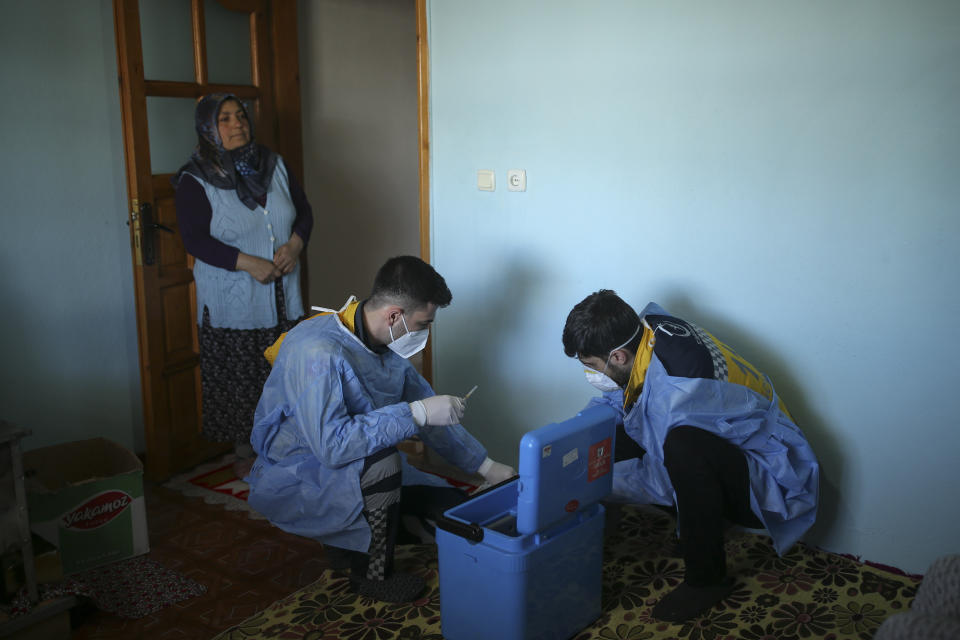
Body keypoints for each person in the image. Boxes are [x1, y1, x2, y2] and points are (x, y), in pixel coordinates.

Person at [247, 256, 515, 603]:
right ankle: (370, 576)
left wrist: (486, 467)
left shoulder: (384, 346)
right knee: (385, 462)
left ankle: (349, 539)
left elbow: (430, 415)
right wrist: (414, 413)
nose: (424, 333)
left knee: (454, 510)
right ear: (394, 316)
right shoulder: (317, 352)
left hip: (358, 462)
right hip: (304, 469)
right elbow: (331, 446)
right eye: (423, 323)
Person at [562, 290, 819, 622]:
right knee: (620, 435)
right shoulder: (648, 328)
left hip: (777, 476)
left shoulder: (672, 395)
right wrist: (568, 442)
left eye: (593, 367)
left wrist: (597, 484)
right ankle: (696, 522)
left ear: (619, 357)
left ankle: (706, 579)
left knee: (682, 450)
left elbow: (662, 479)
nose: (592, 376)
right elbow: (621, 400)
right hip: (735, 441)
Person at [172, 93, 313, 476]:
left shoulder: (275, 165)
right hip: (234, 303)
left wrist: (295, 245)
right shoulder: (195, 179)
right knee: (242, 383)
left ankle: (288, 451)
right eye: (225, 119)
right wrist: (248, 263)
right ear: (208, 129)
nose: (237, 125)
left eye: (241, 117)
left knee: (287, 376)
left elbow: (303, 213)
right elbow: (195, 240)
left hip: (284, 297)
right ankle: (245, 458)